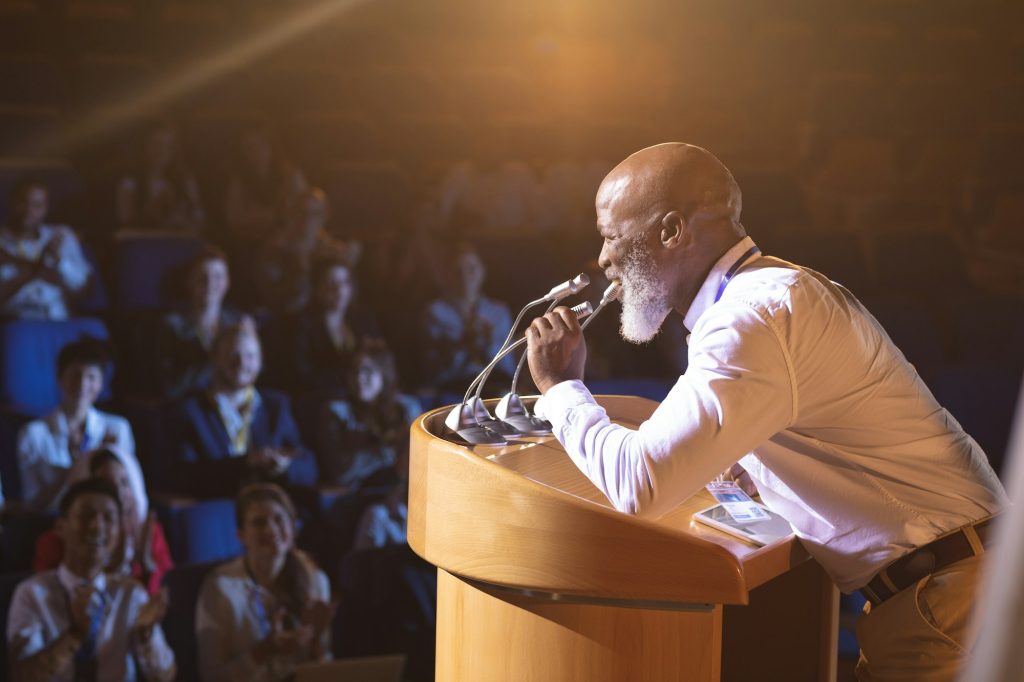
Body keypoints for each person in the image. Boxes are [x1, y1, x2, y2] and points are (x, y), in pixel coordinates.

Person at [525, 142, 1007, 682]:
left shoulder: (749, 319)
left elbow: (640, 483)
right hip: (949, 590)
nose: (604, 257)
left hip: (947, 602)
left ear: (670, 231)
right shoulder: (769, 293)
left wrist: (562, 388)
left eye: (612, 235)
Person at [6, 477, 176, 681]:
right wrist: (75, 634)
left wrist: (145, 635)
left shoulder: (130, 593)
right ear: (60, 527)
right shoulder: (31, 593)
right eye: (86, 516)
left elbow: (166, 677)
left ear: (119, 534)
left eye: (108, 518)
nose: (97, 526)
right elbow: (20, 676)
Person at [195, 483, 333, 681]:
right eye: (259, 522)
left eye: (279, 519)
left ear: (292, 527)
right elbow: (211, 676)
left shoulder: (316, 580)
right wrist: (264, 651)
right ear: (241, 535)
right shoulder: (219, 589)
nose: (271, 529)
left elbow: (326, 668)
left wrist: (317, 644)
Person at [176, 318, 318, 499]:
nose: (242, 363)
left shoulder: (276, 406)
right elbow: (183, 477)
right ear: (215, 358)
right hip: (220, 513)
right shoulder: (191, 410)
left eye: (250, 356)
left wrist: (284, 466)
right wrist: (247, 463)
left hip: (269, 509)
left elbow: (309, 465)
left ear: (260, 361)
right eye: (233, 354)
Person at [17, 338, 148, 519]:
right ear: (59, 378)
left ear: (101, 384)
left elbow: (128, 492)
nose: (82, 384)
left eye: (91, 377)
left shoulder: (118, 428)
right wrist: (77, 467)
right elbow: (33, 503)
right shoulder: (33, 434)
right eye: (75, 375)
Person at [33, 448, 174, 596]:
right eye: (107, 483)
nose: (118, 492)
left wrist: (147, 568)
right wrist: (111, 572)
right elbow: (48, 599)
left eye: (124, 482)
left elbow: (166, 596)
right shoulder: (58, 539)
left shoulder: (147, 532)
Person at [269, 256, 380, 396]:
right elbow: (302, 372)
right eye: (331, 282)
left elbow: (379, 357)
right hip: (321, 395)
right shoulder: (303, 324)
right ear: (317, 288)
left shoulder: (363, 319)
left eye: (345, 282)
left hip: (364, 392)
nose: (339, 289)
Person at [318, 343, 421, 489]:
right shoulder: (336, 411)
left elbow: (418, 460)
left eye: (367, 371)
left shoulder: (406, 407)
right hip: (361, 490)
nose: (359, 378)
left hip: (403, 487)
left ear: (383, 374)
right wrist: (384, 450)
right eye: (354, 371)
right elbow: (341, 473)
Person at [250, 187, 359, 315]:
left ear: (325, 216)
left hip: (328, 321)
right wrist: (302, 268)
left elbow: (348, 299)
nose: (308, 219)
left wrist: (348, 265)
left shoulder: (333, 251)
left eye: (316, 213)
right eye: (303, 212)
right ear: (292, 214)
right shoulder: (273, 252)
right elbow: (278, 301)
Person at [420, 243, 514, 391]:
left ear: (482, 271)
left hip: (493, 385)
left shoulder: (498, 312)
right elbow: (431, 370)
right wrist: (461, 344)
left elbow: (508, 368)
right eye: (457, 271)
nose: (465, 277)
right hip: (451, 388)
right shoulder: (435, 312)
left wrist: (490, 344)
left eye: (471, 269)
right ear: (447, 275)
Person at [155, 245, 242, 401]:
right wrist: (215, 361)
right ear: (189, 281)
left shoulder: (238, 323)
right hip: (191, 405)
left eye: (218, 277)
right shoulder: (171, 326)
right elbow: (169, 387)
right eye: (202, 277)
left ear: (227, 282)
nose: (210, 283)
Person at [0, 177, 91, 320]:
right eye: (23, 202)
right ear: (11, 202)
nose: (29, 210)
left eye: (37, 205)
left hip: (58, 318)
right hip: (16, 323)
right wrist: (38, 269)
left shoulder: (61, 235)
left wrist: (60, 263)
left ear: (46, 208)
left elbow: (84, 291)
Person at [224, 125, 307, 246]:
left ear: (271, 146)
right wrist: (272, 217)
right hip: (255, 243)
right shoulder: (239, 182)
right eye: (249, 148)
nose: (256, 152)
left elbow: (304, 212)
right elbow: (233, 220)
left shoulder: (292, 177)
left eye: (261, 145)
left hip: (293, 240)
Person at [115, 122, 205, 233]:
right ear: (145, 146)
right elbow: (126, 225)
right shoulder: (130, 183)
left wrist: (181, 220)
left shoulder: (184, 181)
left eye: (168, 146)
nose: (161, 152)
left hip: (179, 243)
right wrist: (152, 211)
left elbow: (199, 219)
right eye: (156, 144)